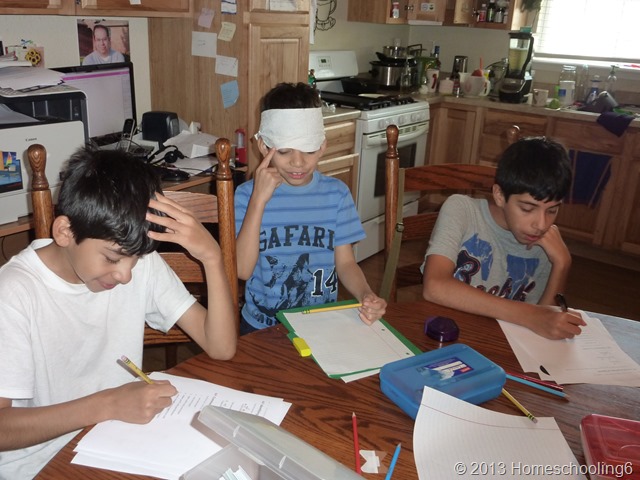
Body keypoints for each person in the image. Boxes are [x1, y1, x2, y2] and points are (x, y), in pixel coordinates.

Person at [0, 148, 237, 478]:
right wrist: (108, 404)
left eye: (134, 260)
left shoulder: (138, 263)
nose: (126, 275)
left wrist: (211, 256)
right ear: (65, 232)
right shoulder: (14, 293)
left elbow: (221, 347)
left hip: (117, 444)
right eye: (112, 258)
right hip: (39, 465)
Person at [235, 82, 386, 334]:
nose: (298, 162)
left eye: (309, 149)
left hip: (321, 324)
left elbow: (345, 262)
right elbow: (242, 269)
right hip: (261, 327)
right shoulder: (245, 196)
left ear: (322, 146)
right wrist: (258, 201)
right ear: (263, 146)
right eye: (284, 151)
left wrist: (365, 293)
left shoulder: (337, 194)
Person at [422, 136, 586, 340]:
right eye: (527, 209)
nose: (541, 224)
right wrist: (529, 315)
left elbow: (545, 323)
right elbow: (434, 286)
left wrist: (562, 264)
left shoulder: (546, 243)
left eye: (552, 211)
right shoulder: (462, 210)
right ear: (499, 195)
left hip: (500, 342)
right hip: (444, 335)